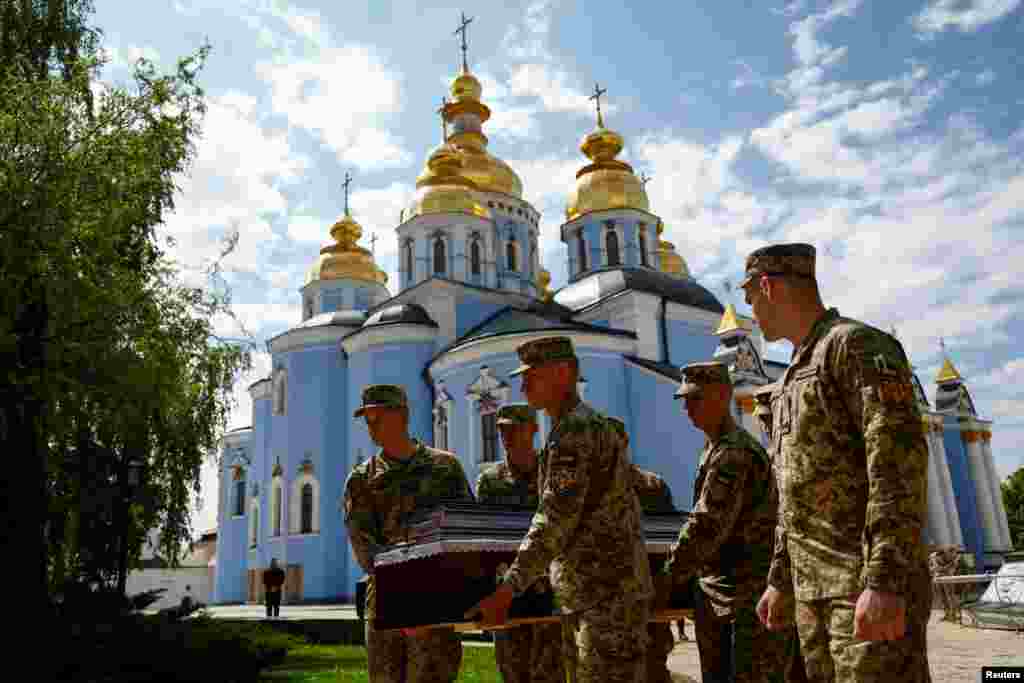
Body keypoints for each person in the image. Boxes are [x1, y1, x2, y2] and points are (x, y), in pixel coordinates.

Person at [743, 244, 932, 683]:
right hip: (814, 596)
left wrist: (885, 579)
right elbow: (791, 489)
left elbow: (897, 467)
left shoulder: (854, 346)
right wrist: (781, 578)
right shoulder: (791, 374)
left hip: (861, 585)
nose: (751, 312)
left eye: (750, 298)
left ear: (767, 286)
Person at [467, 336, 653, 683]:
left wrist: (508, 590)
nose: (522, 385)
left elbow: (554, 520)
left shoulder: (575, 433)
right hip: (594, 593)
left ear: (564, 373)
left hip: (604, 597)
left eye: (532, 375)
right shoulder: (573, 429)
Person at [653, 361, 793, 683]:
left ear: (722, 395)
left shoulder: (734, 454)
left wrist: (667, 578)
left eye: (695, 399)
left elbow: (706, 527)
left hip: (746, 602)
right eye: (684, 401)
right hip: (721, 599)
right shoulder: (714, 449)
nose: (687, 408)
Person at [343, 384, 474, 683]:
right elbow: (366, 549)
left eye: (378, 417)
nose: (371, 427)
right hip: (387, 603)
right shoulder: (362, 480)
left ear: (401, 415)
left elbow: (466, 530)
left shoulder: (445, 467)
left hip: (440, 599)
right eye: (367, 420)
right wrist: (407, 602)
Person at [476, 402, 562, 683]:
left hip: (551, 590)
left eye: (516, 429)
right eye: (502, 430)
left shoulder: (553, 474)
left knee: (551, 670)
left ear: (534, 429)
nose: (508, 436)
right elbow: (485, 536)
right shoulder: (490, 482)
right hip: (508, 593)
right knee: (513, 671)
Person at [612, 415, 678, 683]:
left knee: (653, 668)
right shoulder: (587, 491)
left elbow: (669, 542)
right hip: (607, 605)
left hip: (649, 599)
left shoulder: (652, 486)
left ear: (625, 444)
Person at [753, 384, 808, 683]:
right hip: (782, 575)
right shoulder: (770, 459)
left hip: (802, 575)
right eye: (762, 419)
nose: (766, 425)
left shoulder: (798, 454)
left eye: (769, 417)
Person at [927, 545, 964, 623]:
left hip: (948, 578)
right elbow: (932, 568)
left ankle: (953, 614)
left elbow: (952, 567)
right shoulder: (933, 556)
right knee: (942, 597)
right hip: (938, 578)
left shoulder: (951, 556)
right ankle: (947, 614)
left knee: (950, 596)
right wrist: (939, 569)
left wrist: (943, 569)